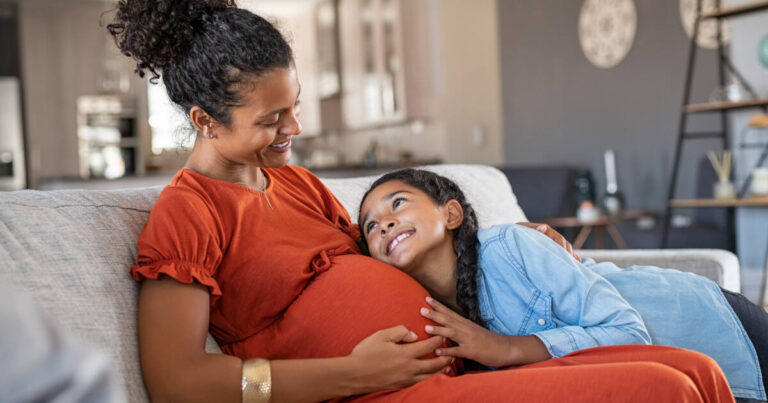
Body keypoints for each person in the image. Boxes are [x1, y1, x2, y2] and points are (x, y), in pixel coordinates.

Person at [109, 1, 735, 401]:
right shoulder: (189, 212)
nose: (294, 129)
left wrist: (504, 240)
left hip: (457, 370)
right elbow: (177, 381)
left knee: (698, 371)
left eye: (295, 106)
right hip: (381, 394)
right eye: (272, 118)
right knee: (664, 391)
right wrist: (355, 373)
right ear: (206, 121)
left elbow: (397, 252)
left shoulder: (293, 183)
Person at [358, 168, 768, 402]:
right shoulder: (427, 312)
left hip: (710, 328)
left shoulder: (511, 248)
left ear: (450, 215)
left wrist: (506, 349)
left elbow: (628, 332)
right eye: (371, 226)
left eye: (397, 204)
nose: (385, 223)